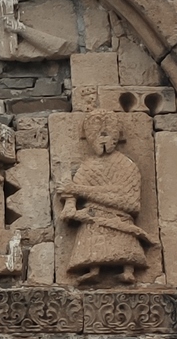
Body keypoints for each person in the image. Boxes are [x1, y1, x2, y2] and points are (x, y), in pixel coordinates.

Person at [58, 111, 153, 284]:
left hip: (119, 219)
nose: (102, 139)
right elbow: (71, 191)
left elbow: (130, 201)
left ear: (117, 136)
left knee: (123, 243)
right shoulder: (87, 166)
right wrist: (70, 203)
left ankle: (128, 270)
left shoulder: (126, 165)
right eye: (96, 134)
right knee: (93, 242)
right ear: (88, 137)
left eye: (107, 134)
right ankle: (94, 269)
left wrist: (80, 190)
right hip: (93, 218)